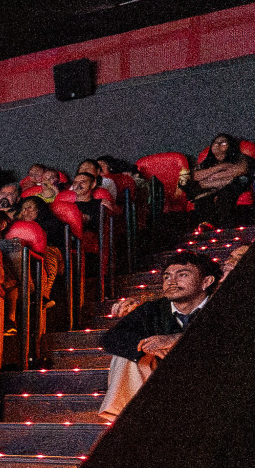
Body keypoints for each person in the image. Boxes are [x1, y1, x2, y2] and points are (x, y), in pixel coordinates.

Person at [98, 255, 217, 422]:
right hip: (163, 383)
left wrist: (177, 339)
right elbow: (110, 338)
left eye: (182, 275)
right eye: (167, 276)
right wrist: (148, 347)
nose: (171, 281)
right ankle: (128, 420)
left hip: (210, 382)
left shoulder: (220, 307)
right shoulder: (153, 309)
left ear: (206, 282)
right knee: (127, 355)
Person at [180, 134, 253, 224]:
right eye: (215, 143)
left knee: (226, 193)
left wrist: (210, 177)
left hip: (232, 188)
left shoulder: (240, 157)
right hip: (211, 188)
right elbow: (194, 176)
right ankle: (206, 225)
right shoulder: (208, 161)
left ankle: (225, 225)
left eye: (222, 143)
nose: (217, 146)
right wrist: (219, 168)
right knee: (202, 197)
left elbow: (238, 170)